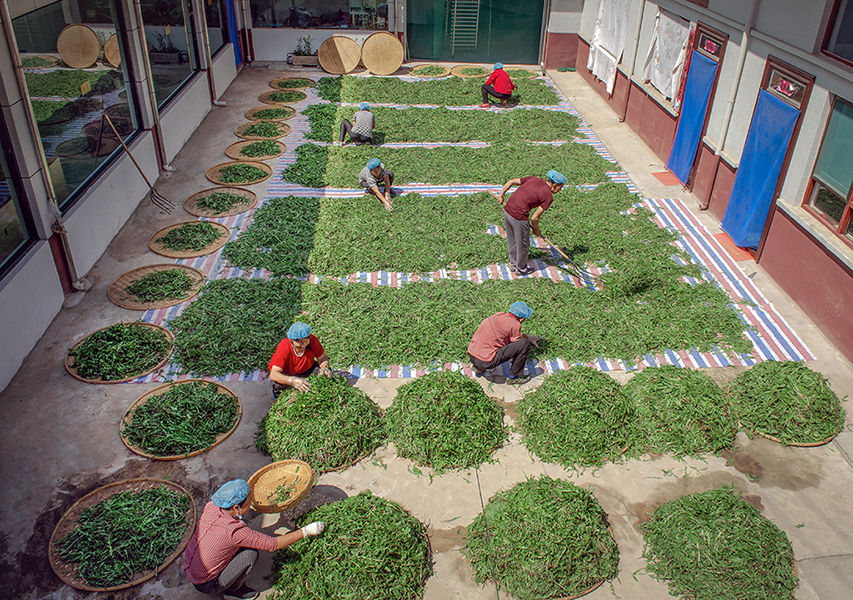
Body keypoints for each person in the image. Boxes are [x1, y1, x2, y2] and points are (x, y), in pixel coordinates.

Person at [183, 479, 326, 600]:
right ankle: (233, 591)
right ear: (235, 507)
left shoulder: (212, 507)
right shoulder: (235, 532)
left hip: (189, 565)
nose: (251, 505)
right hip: (207, 583)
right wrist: (306, 531)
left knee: (231, 545)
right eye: (248, 504)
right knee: (250, 554)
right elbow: (274, 544)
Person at [492, 169, 567, 275]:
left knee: (512, 240)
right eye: (561, 187)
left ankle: (514, 265)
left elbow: (511, 181)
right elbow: (534, 218)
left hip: (507, 210)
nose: (560, 190)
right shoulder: (548, 196)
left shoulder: (534, 179)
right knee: (523, 244)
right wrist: (536, 230)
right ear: (555, 185)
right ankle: (521, 270)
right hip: (519, 216)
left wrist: (501, 195)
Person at [467, 301, 543, 385]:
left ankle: (477, 367)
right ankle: (514, 377)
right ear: (522, 318)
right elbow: (517, 344)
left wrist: (529, 337)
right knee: (524, 343)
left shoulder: (498, 315)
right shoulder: (515, 325)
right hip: (486, 362)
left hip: (472, 355)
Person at [269, 322, 331, 395]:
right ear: (292, 340)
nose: (303, 345)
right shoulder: (284, 347)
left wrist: (324, 368)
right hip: (287, 373)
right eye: (299, 343)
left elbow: (322, 358)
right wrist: (291, 380)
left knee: (325, 374)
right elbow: (274, 374)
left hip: (307, 368)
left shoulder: (313, 341)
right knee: (278, 385)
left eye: (306, 341)